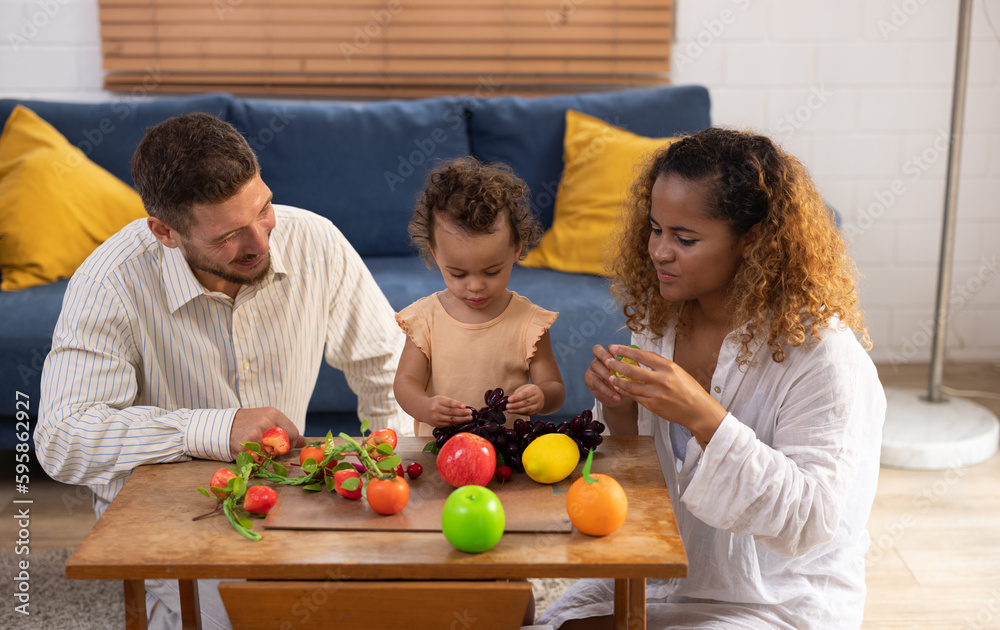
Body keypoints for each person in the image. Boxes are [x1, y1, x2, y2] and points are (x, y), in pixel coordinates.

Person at [34, 112, 408, 629]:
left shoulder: (316, 241)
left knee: (408, 601)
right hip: (168, 520)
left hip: (288, 500)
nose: (260, 243)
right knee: (264, 620)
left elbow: (385, 365)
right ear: (165, 232)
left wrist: (393, 468)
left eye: (264, 208)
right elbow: (61, 441)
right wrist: (215, 427)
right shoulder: (110, 281)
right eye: (229, 234)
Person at [537, 128, 886, 630]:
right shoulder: (662, 321)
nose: (658, 251)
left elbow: (810, 521)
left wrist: (703, 416)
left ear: (752, 240)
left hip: (773, 596)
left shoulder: (823, 355)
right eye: (655, 229)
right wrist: (617, 410)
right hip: (660, 570)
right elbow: (634, 485)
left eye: (684, 238)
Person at [393, 157, 566, 438]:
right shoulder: (424, 319)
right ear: (436, 256)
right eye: (458, 274)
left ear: (515, 251)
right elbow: (405, 381)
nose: (475, 286)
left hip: (506, 456)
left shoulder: (529, 323)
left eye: (492, 271)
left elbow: (555, 389)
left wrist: (541, 396)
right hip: (440, 453)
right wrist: (424, 407)